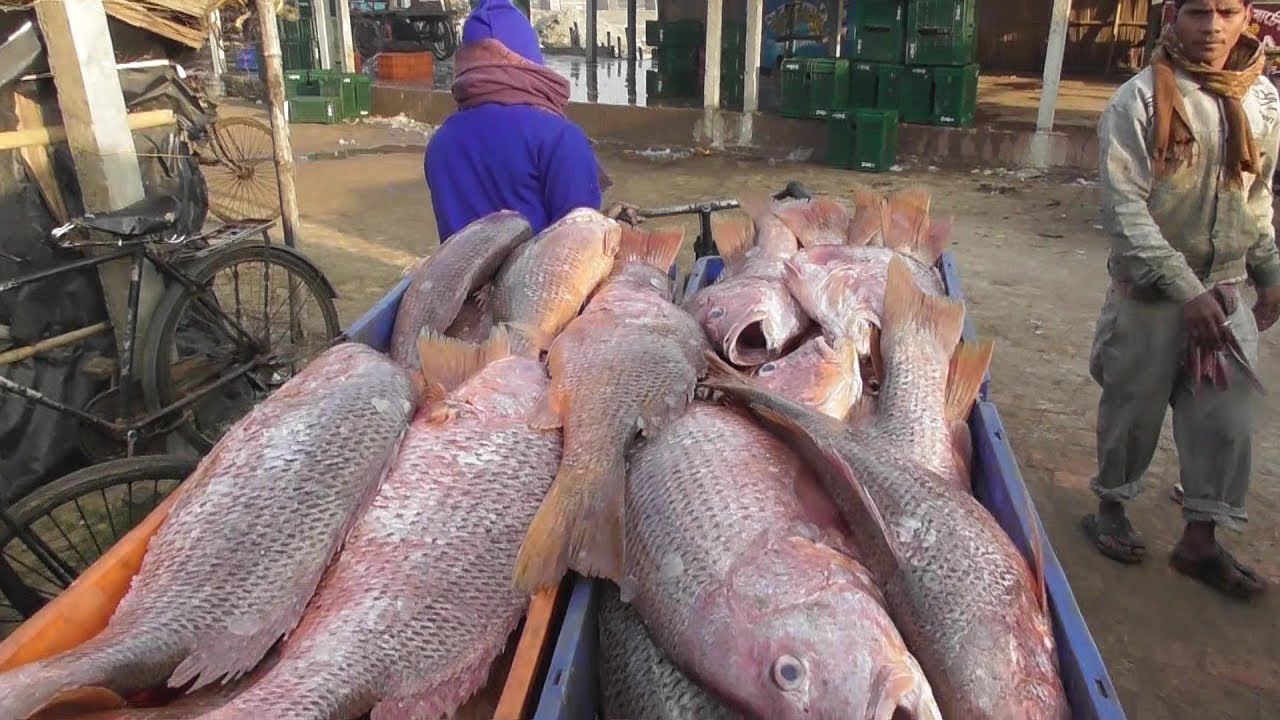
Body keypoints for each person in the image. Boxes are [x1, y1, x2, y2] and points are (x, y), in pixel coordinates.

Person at [1084, 0, 1280, 599]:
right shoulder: (1138, 102)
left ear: (1249, 15)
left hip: (1222, 294)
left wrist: (1268, 268)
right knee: (1131, 411)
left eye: (1227, 11)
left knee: (1226, 421)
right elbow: (1124, 211)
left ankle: (1201, 541)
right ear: (1172, 15)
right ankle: (1111, 512)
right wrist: (1184, 290)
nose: (1213, 27)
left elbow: (1255, 194)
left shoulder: (1262, 101)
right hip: (1148, 294)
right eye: (1198, 12)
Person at [424, 0, 634, 242]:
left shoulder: (440, 143)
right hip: (541, 278)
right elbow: (577, 241)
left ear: (466, 62)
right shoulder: (560, 137)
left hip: (461, 279)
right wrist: (604, 223)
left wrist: (600, 220)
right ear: (531, 57)